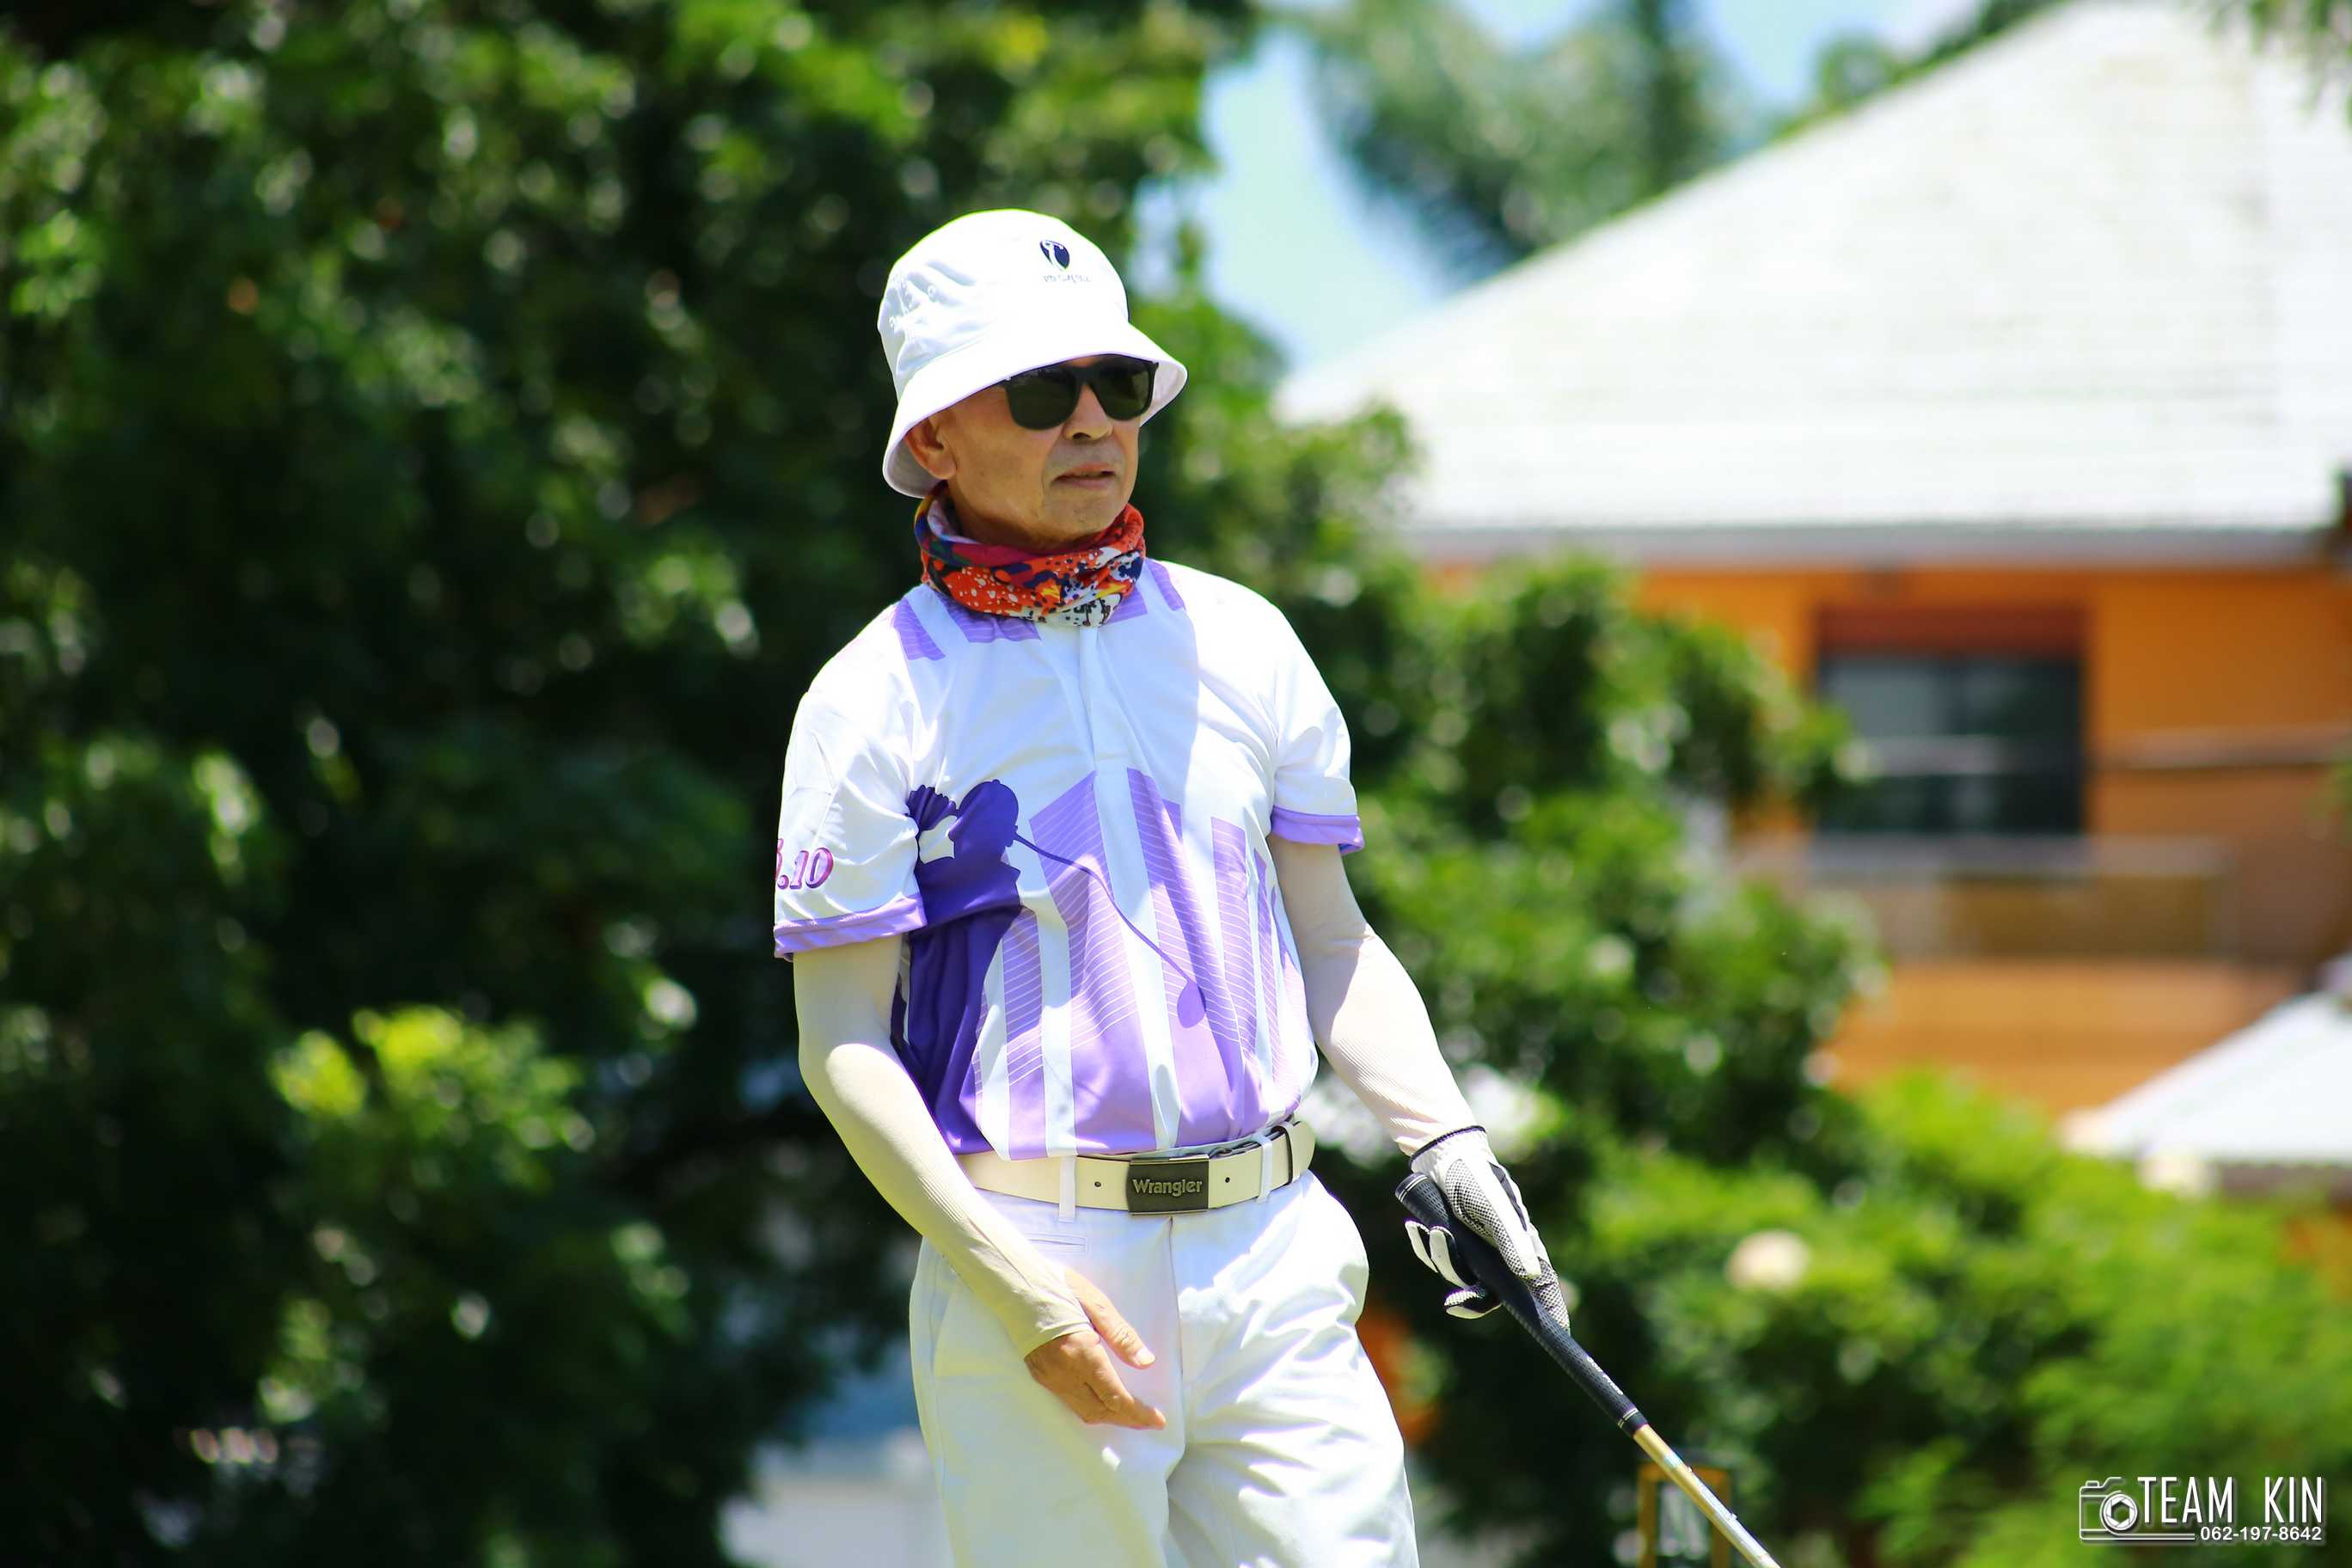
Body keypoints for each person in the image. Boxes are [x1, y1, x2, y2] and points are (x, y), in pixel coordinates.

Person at [775, 207, 1568, 1568]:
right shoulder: (870, 699)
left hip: (1275, 1248)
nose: (1092, 419)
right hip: (1032, 1250)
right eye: (1041, 391)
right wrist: (1018, 1290)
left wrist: (1448, 1142)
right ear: (936, 438)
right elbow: (841, 1043)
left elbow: (1332, 941)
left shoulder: (1246, 641)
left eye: (1118, 383)